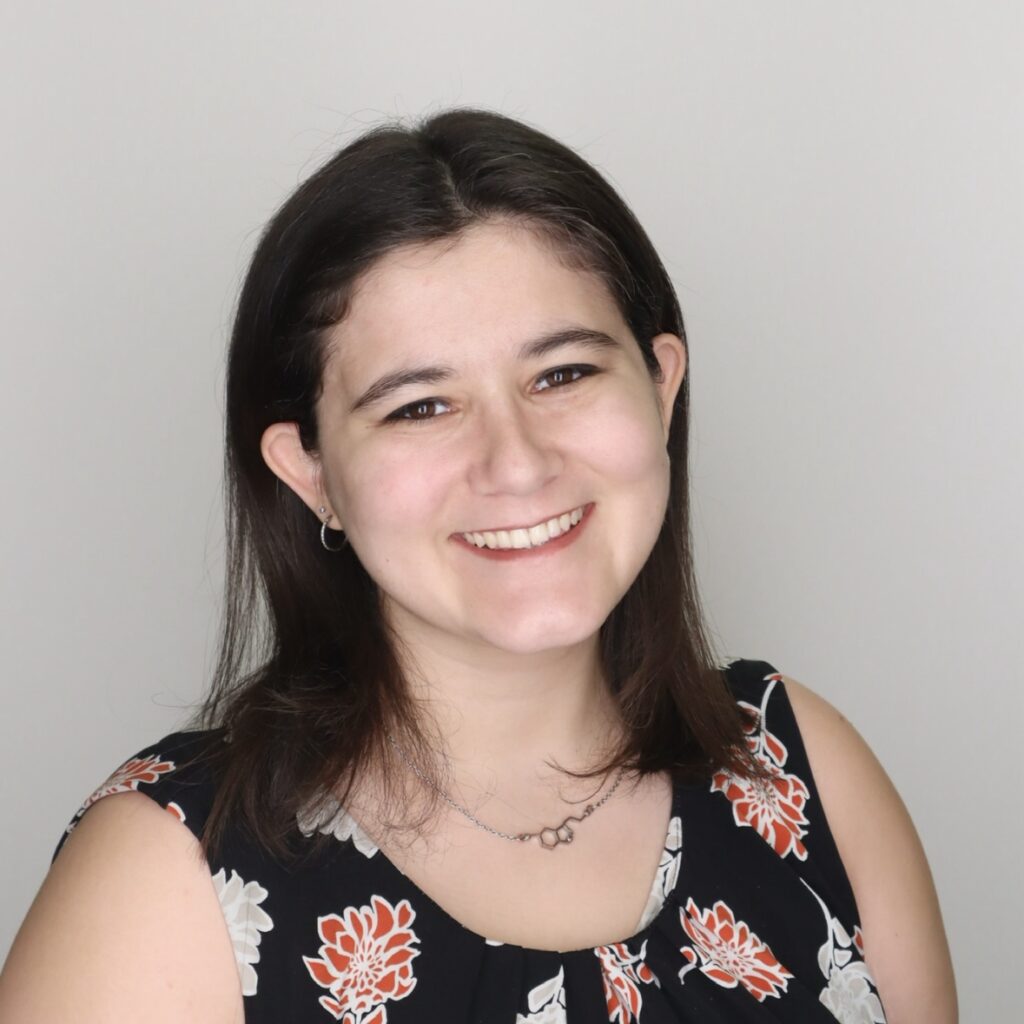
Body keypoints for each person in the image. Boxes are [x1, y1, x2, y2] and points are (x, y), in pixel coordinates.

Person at [0, 107, 956, 1023]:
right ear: (312, 472)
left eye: (564, 374)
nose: (518, 462)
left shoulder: (797, 769)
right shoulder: (166, 878)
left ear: (661, 389)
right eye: (419, 406)